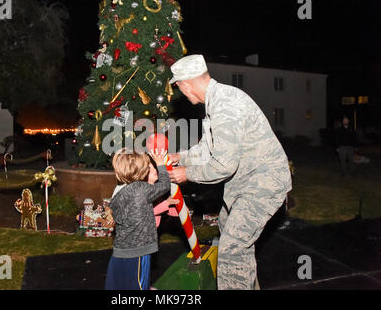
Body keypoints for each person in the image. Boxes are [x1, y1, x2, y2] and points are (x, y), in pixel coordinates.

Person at [167, 54, 292, 290]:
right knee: (228, 229)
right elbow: (208, 148)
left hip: (263, 183)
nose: (181, 93)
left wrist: (187, 174)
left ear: (185, 85)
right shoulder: (216, 102)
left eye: (179, 87)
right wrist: (181, 157)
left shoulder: (226, 105)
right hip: (245, 182)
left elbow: (224, 166)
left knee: (232, 247)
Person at [105, 148, 170, 290]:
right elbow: (165, 185)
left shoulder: (118, 194)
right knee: (139, 286)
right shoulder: (141, 189)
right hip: (139, 250)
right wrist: (160, 164)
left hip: (119, 250)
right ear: (143, 171)